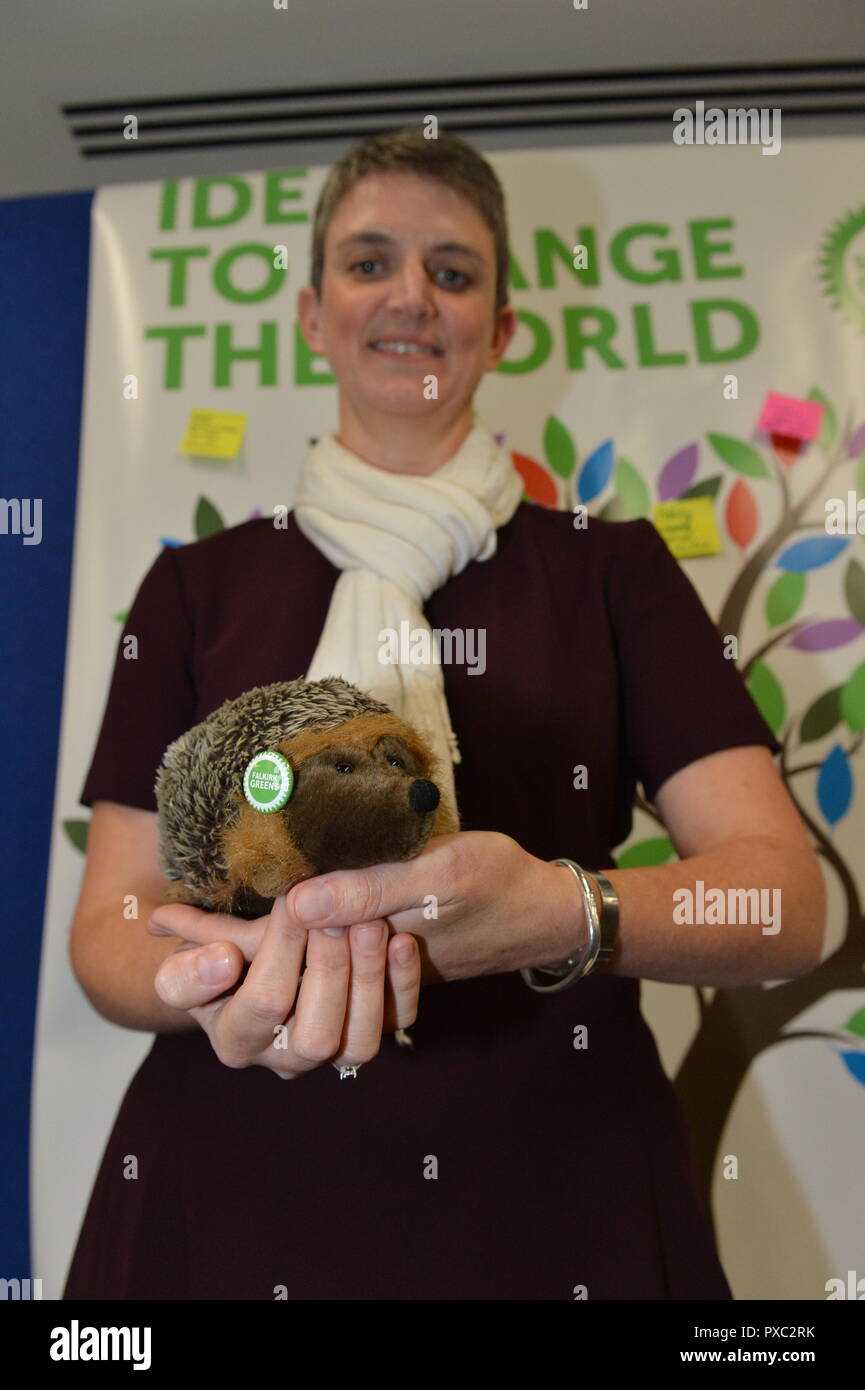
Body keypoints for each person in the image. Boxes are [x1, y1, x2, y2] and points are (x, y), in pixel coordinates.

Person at [63, 125, 825, 1301]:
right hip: (228, 1186)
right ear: (313, 313)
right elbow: (113, 923)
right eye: (370, 263)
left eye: (452, 270)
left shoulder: (609, 571)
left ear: (501, 327)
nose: (410, 295)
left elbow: (783, 899)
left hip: (557, 1189)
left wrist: (568, 910)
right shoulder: (193, 588)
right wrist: (213, 972)